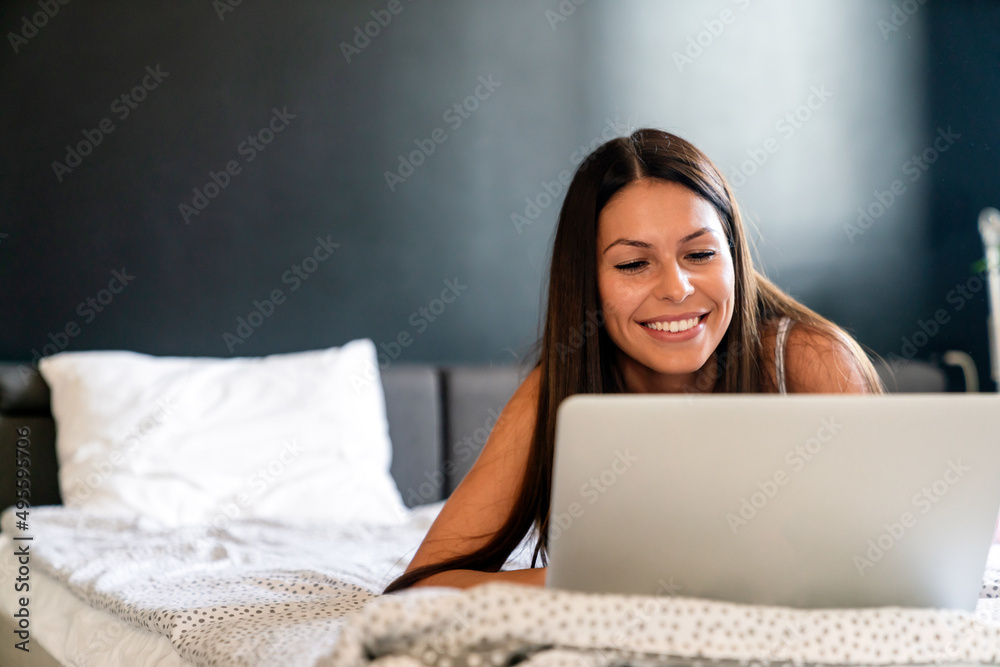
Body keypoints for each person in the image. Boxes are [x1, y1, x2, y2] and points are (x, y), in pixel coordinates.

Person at [382, 128, 884, 594]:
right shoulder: (557, 395)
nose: (676, 288)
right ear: (589, 283)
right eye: (633, 264)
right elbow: (425, 584)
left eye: (701, 254)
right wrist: (610, 582)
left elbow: (888, 553)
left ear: (734, 256)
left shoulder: (806, 359)